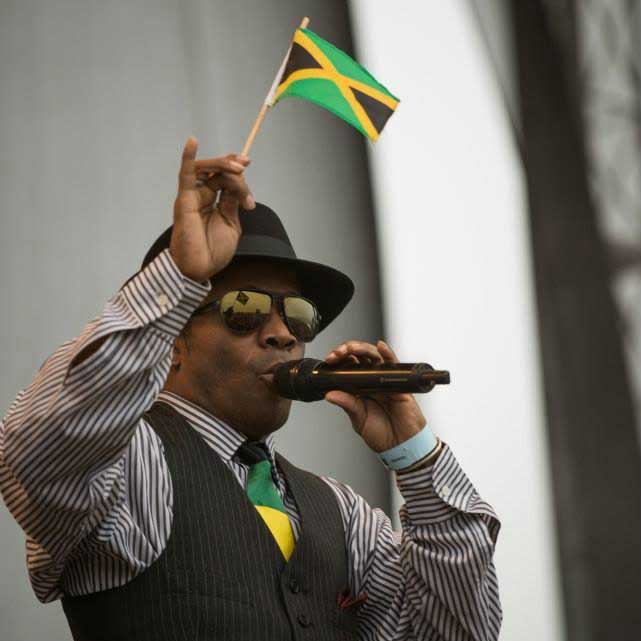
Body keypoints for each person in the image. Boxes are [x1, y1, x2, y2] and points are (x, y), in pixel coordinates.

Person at [0, 138, 502, 641]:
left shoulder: (343, 514)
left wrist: (416, 457)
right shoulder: (132, 465)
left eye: (298, 315)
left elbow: (458, 633)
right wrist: (178, 277)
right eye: (245, 308)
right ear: (173, 342)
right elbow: (43, 448)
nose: (281, 333)